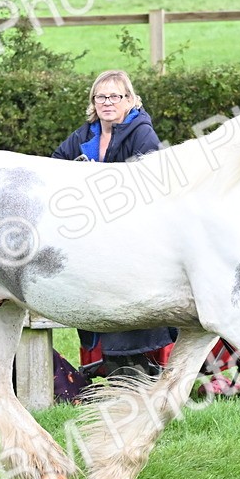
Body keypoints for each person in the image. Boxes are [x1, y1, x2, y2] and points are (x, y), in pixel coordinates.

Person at [52, 70, 175, 376]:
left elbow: (151, 184)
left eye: (115, 96)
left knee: (127, 313)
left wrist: (101, 180)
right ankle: (105, 370)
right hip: (93, 238)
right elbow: (54, 164)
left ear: (129, 100)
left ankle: (139, 373)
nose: (107, 102)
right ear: (93, 102)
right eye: (101, 97)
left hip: (133, 239)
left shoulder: (142, 133)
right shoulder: (85, 135)